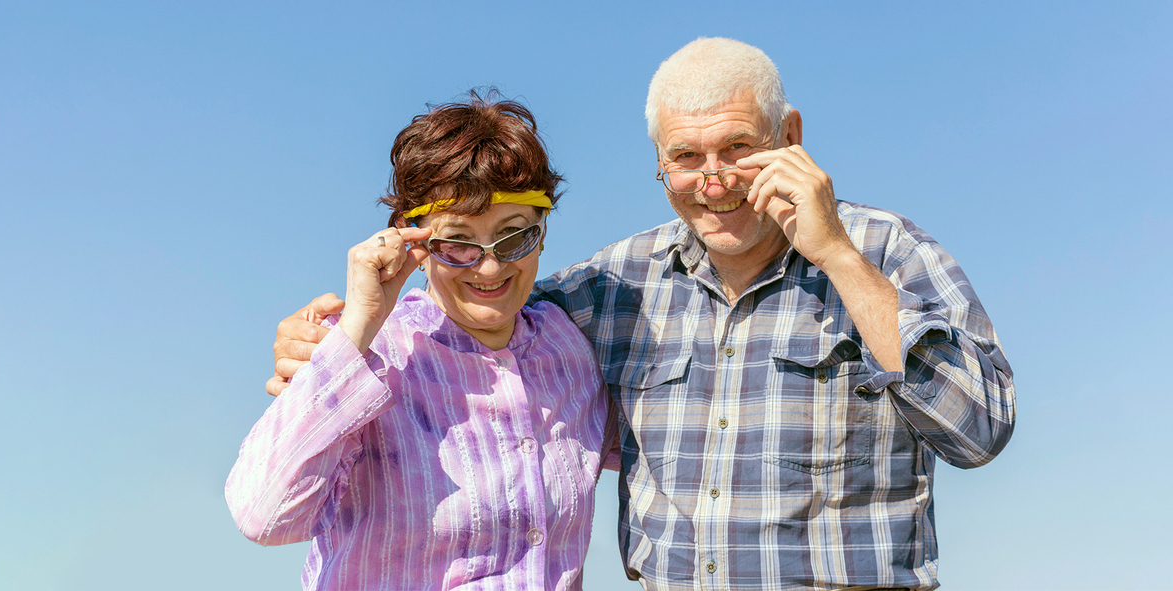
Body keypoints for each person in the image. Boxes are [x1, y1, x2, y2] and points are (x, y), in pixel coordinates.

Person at [269, 38, 1015, 590]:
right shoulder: (608, 290)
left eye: (739, 147)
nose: (714, 180)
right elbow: (482, 296)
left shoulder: (887, 252)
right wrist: (324, 351)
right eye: (686, 157)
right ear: (659, 162)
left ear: (789, 137)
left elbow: (978, 431)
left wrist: (841, 261)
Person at [227, 92, 616, 590]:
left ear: (542, 232)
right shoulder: (361, 354)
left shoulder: (571, 348)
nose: (490, 266)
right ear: (411, 241)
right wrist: (357, 327)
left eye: (513, 236)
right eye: (457, 242)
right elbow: (265, 516)